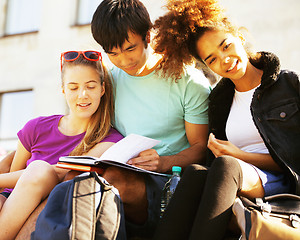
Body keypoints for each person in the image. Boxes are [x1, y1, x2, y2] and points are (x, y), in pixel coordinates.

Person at [152, 0, 300, 239]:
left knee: (226, 165)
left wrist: (238, 155)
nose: (224, 59)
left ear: (239, 37)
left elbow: (293, 159)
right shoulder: (219, 101)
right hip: (237, 179)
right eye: (211, 59)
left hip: (285, 183)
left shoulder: (288, 85)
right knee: (195, 173)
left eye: (226, 45)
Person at [90, 0, 210, 238]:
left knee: (113, 184)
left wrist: (164, 162)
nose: (123, 61)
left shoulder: (188, 81)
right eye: (112, 53)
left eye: (129, 48)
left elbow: (201, 148)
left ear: (148, 35)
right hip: (120, 170)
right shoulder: (110, 81)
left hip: (168, 182)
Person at [0, 50, 123, 240]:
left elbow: (60, 171)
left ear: (102, 89)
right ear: (64, 90)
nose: (82, 95)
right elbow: (11, 185)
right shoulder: (35, 127)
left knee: (39, 169)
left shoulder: (111, 140)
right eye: (73, 87)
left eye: (90, 86)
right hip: (14, 206)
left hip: (57, 214)